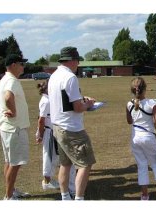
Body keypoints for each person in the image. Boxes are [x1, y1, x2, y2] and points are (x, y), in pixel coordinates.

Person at [48, 46, 96, 200]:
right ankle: (79, 199)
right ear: (73, 61)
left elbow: (66, 102)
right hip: (72, 128)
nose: (78, 65)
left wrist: (82, 101)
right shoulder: (70, 77)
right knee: (85, 163)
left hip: (58, 126)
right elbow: (77, 107)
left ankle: (65, 197)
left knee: (65, 164)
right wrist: (88, 105)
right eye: (77, 61)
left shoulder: (54, 76)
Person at [126, 77, 156, 200]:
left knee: (142, 166)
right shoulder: (152, 103)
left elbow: (129, 121)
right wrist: (149, 128)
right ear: (145, 89)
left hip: (135, 138)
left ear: (133, 90)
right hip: (149, 137)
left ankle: (144, 196)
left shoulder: (129, 104)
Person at [0, 54, 30, 200]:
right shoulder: (11, 80)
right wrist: (14, 111)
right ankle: (9, 197)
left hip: (7, 128)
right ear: (13, 65)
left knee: (9, 162)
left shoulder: (5, 79)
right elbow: (8, 97)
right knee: (15, 164)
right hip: (15, 128)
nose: (23, 66)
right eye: (21, 63)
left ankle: (11, 190)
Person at [36, 80, 76, 197]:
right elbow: (41, 119)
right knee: (49, 156)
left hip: (54, 131)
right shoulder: (46, 101)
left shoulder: (49, 100)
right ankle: (46, 181)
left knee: (55, 157)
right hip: (49, 132)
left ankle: (50, 180)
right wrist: (40, 134)